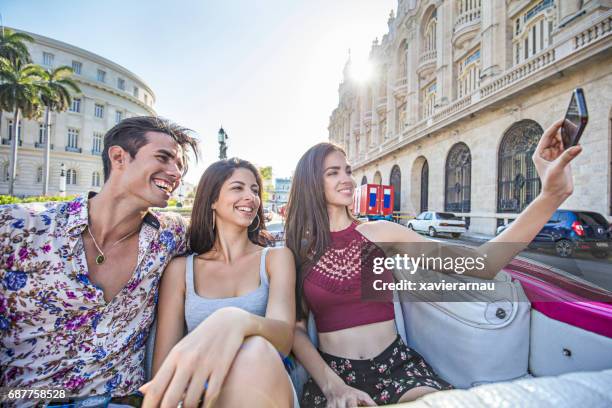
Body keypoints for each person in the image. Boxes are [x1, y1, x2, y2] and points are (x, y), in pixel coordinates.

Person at [285, 118, 581, 407]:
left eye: (347, 171)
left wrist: (550, 196)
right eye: (333, 173)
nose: (347, 179)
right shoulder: (298, 250)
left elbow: (482, 263)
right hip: (334, 377)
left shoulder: (380, 232)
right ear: (312, 182)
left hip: (396, 369)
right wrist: (332, 386)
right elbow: (296, 329)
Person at [0, 116, 231, 407]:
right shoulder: (17, 226)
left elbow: (230, 245)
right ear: (119, 157)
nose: (175, 173)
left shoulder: (171, 235)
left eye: (180, 167)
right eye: (164, 158)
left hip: (120, 399)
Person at [145, 158, 297, 408]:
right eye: (238, 188)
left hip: (265, 384)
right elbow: (164, 364)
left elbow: (284, 340)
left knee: (256, 349)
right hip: (199, 394)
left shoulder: (276, 258)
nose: (251, 197)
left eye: (255, 190)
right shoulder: (181, 270)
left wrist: (237, 321)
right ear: (212, 200)